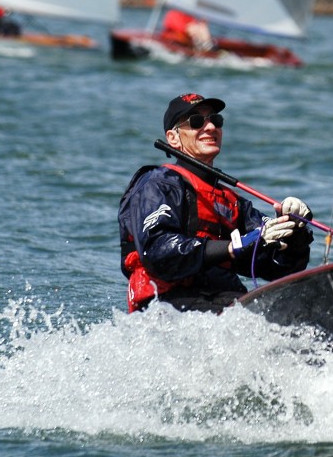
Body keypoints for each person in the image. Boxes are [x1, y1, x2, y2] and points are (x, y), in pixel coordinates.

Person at [118, 93, 313, 313]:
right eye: (196, 122)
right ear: (173, 138)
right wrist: (232, 247)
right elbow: (158, 252)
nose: (211, 127)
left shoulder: (233, 202)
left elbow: (279, 269)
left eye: (215, 120)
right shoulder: (157, 185)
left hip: (224, 302)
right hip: (167, 306)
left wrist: (295, 234)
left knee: (299, 306)